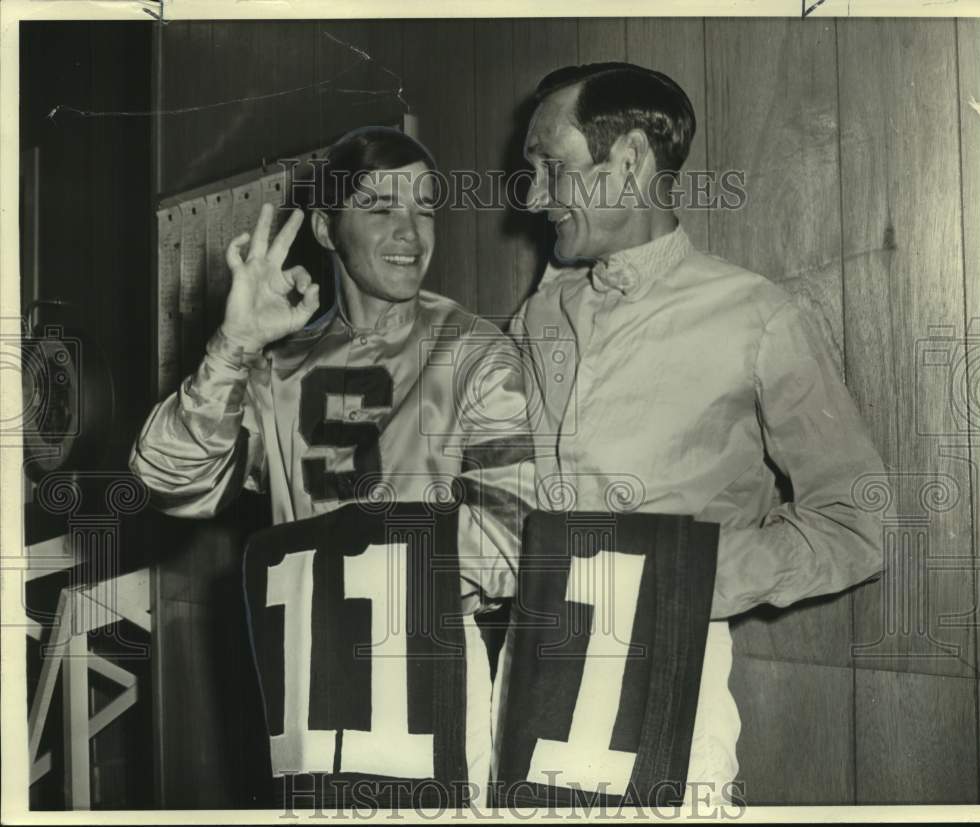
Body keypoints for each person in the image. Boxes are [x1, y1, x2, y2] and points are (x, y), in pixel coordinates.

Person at [506, 62, 886, 803]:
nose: (531, 194)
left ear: (631, 160)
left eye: (552, 168)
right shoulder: (540, 314)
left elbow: (857, 523)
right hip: (524, 685)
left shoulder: (755, 317)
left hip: (668, 703)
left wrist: (683, 581)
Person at [130, 126, 534, 801]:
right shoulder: (277, 365)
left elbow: (509, 537)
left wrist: (361, 573)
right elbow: (167, 478)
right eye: (380, 206)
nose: (411, 231)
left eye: (425, 206)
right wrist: (232, 345)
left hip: (422, 652)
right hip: (303, 658)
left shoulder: (472, 350)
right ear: (325, 228)